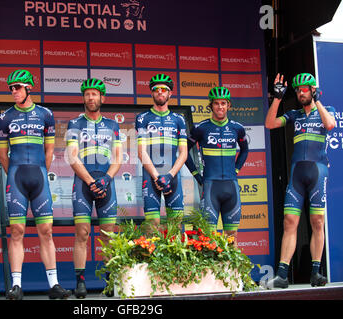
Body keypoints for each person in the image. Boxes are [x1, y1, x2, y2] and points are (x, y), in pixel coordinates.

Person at [0, 69, 71, 299]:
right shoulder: (5, 117)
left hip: (39, 177)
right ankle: (16, 285)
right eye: (11, 88)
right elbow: (2, 154)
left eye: (17, 87)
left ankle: (54, 285)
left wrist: (40, 171)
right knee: (17, 231)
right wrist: (15, 175)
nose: (13, 91)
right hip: (16, 178)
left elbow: (50, 150)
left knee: (46, 231)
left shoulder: (45, 114)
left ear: (29, 87)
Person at [264, 73, 336, 289]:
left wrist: (319, 101)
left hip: (317, 173)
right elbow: (269, 124)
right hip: (297, 175)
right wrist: (277, 98)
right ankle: (282, 275)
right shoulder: (294, 114)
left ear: (313, 90)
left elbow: (330, 125)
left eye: (305, 89)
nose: (300, 92)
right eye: (297, 90)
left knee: (317, 222)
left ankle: (316, 272)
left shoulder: (325, 110)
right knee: (289, 222)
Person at [66, 78, 122, 298]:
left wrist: (107, 179)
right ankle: (80, 282)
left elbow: (118, 159)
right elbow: (72, 156)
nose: (91, 97)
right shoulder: (74, 124)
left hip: (107, 183)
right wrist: (90, 180)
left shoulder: (112, 125)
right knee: (82, 233)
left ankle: (110, 281)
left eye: (95, 94)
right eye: (87, 94)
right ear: (83, 98)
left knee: (108, 234)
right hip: (83, 183)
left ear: (102, 98)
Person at [185, 87, 248, 242]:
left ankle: (231, 268)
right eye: (216, 103)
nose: (220, 107)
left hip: (231, 186)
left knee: (232, 238)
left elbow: (245, 150)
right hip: (210, 187)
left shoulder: (237, 128)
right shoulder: (201, 128)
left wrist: (236, 169)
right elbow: (184, 152)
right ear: (211, 106)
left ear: (229, 105)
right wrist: (196, 176)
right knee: (207, 238)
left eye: (223, 103)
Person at [135, 74, 188, 224]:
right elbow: (141, 152)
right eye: (156, 89)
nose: (160, 92)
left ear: (170, 93)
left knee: (175, 228)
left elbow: (183, 153)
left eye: (164, 89)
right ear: (152, 93)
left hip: (173, 177)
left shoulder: (179, 119)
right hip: (151, 177)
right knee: (152, 228)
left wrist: (169, 176)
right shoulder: (142, 118)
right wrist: (157, 177)